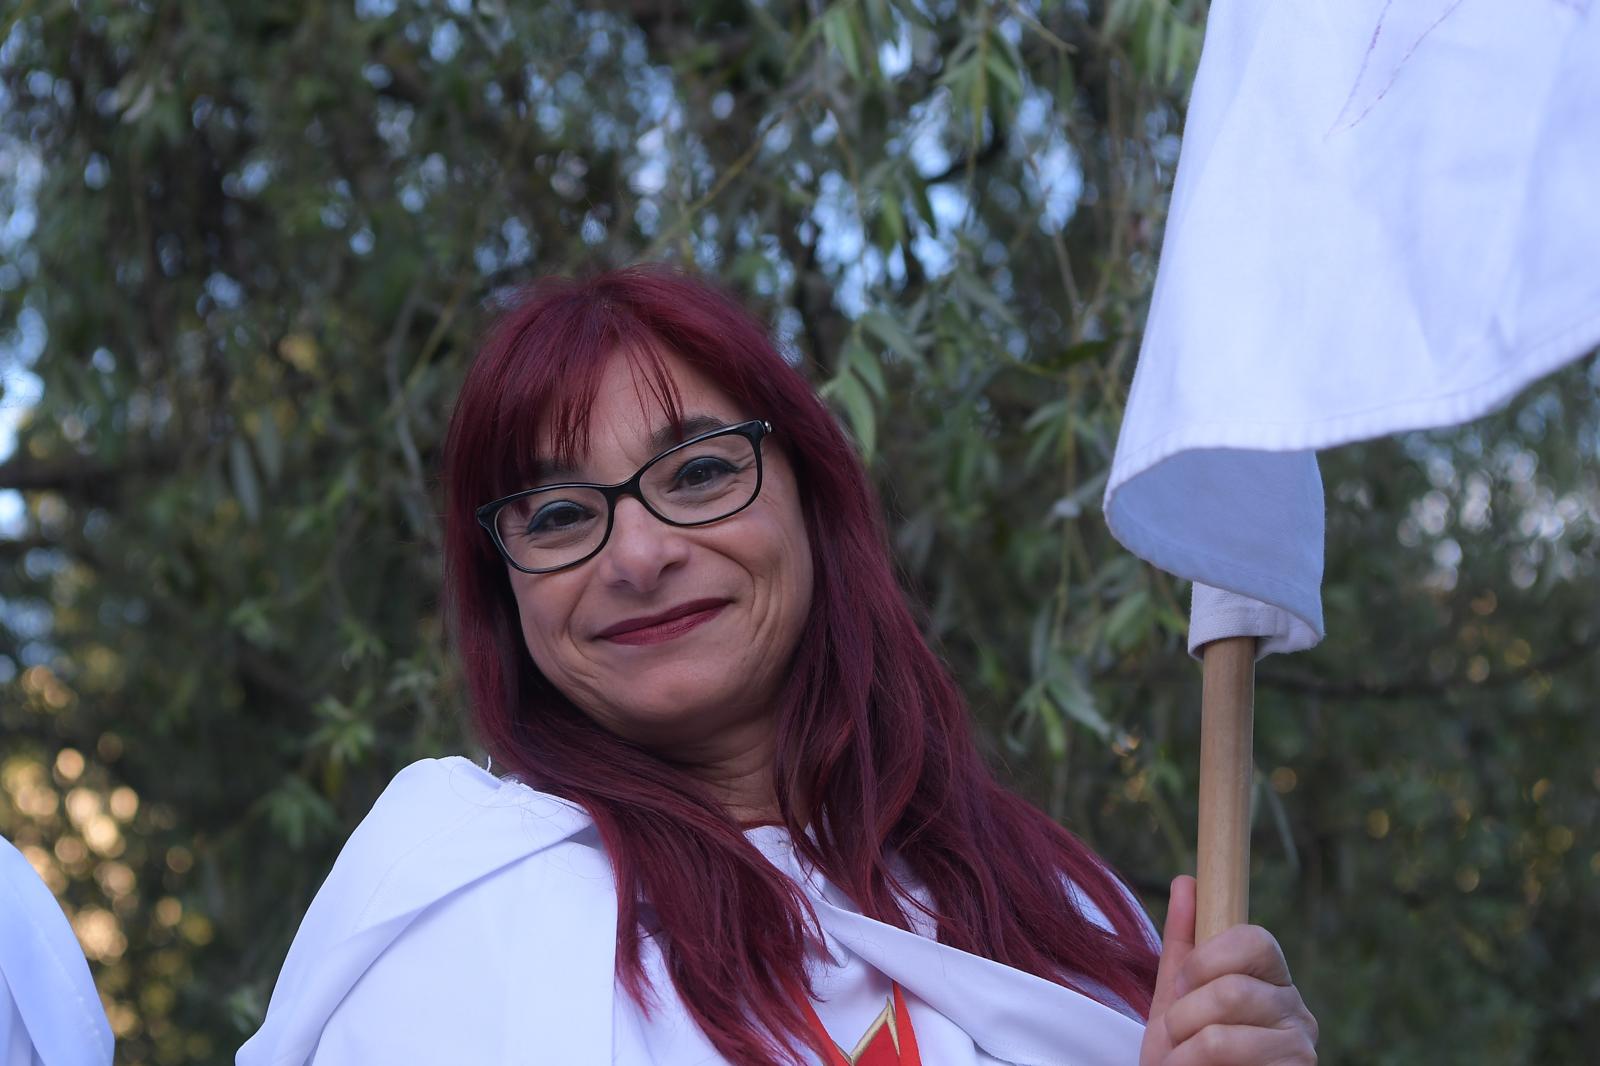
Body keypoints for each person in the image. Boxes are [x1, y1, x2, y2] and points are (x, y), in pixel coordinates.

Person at [237, 266, 1317, 1065]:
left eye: (700, 472)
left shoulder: (1057, 918)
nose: (640, 554)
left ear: (812, 496)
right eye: (561, 514)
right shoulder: (450, 903)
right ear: (503, 589)